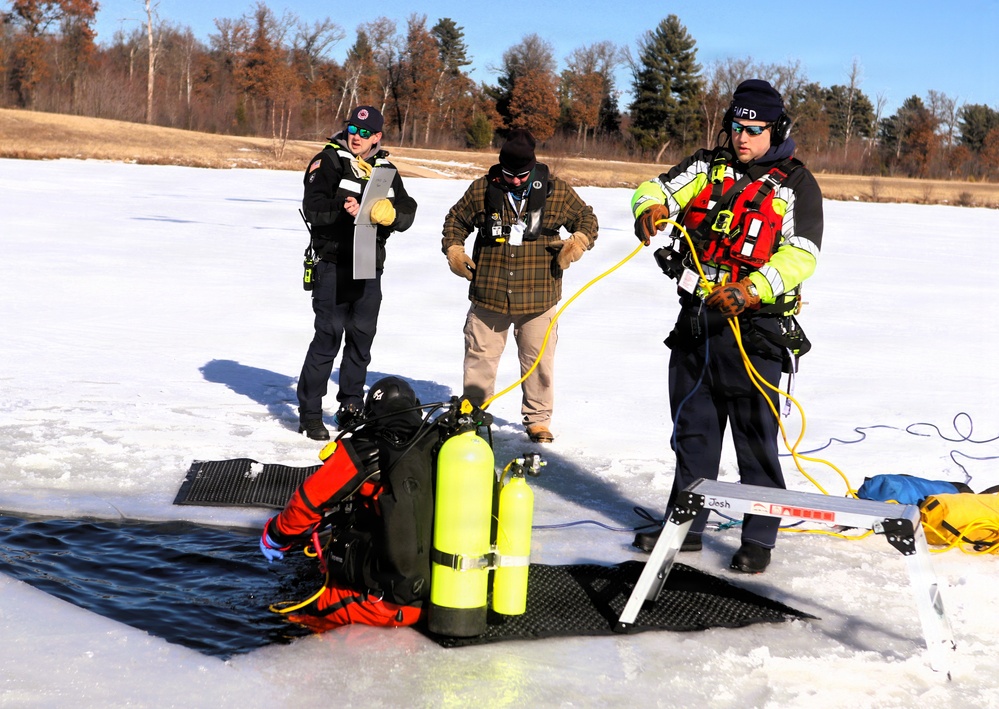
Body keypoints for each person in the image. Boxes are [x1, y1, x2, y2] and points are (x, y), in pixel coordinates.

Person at [630, 79, 824, 573]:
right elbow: (656, 188)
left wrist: (752, 289)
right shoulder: (706, 166)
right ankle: (685, 527)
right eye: (737, 127)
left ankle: (759, 538)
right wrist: (648, 208)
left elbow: (802, 254)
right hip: (697, 323)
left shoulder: (796, 184)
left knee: (755, 438)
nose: (743, 138)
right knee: (692, 432)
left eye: (755, 130)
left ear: (776, 130)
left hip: (756, 331)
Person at [441, 129, 598, 443]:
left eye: (521, 175)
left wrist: (578, 242)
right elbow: (455, 220)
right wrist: (454, 250)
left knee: (538, 365)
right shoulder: (482, 189)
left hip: (539, 297)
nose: (514, 181)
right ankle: (474, 415)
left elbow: (587, 219)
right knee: (479, 361)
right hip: (489, 296)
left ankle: (538, 421)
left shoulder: (557, 191)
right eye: (508, 174)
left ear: (533, 167)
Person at [260, 376, 436, 631]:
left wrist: (277, 533)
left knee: (292, 619)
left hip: (388, 605)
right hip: (446, 594)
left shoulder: (367, 448)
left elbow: (309, 500)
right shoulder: (440, 442)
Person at [297, 106, 418, 441]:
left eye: (365, 133)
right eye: (352, 129)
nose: (357, 136)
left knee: (361, 340)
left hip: (368, 264)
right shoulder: (328, 161)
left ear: (377, 137)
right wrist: (343, 209)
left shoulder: (386, 170)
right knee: (328, 336)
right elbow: (314, 207)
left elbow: (408, 212)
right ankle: (309, 413)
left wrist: (390, 214)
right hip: (332, 262)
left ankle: (350, 405)